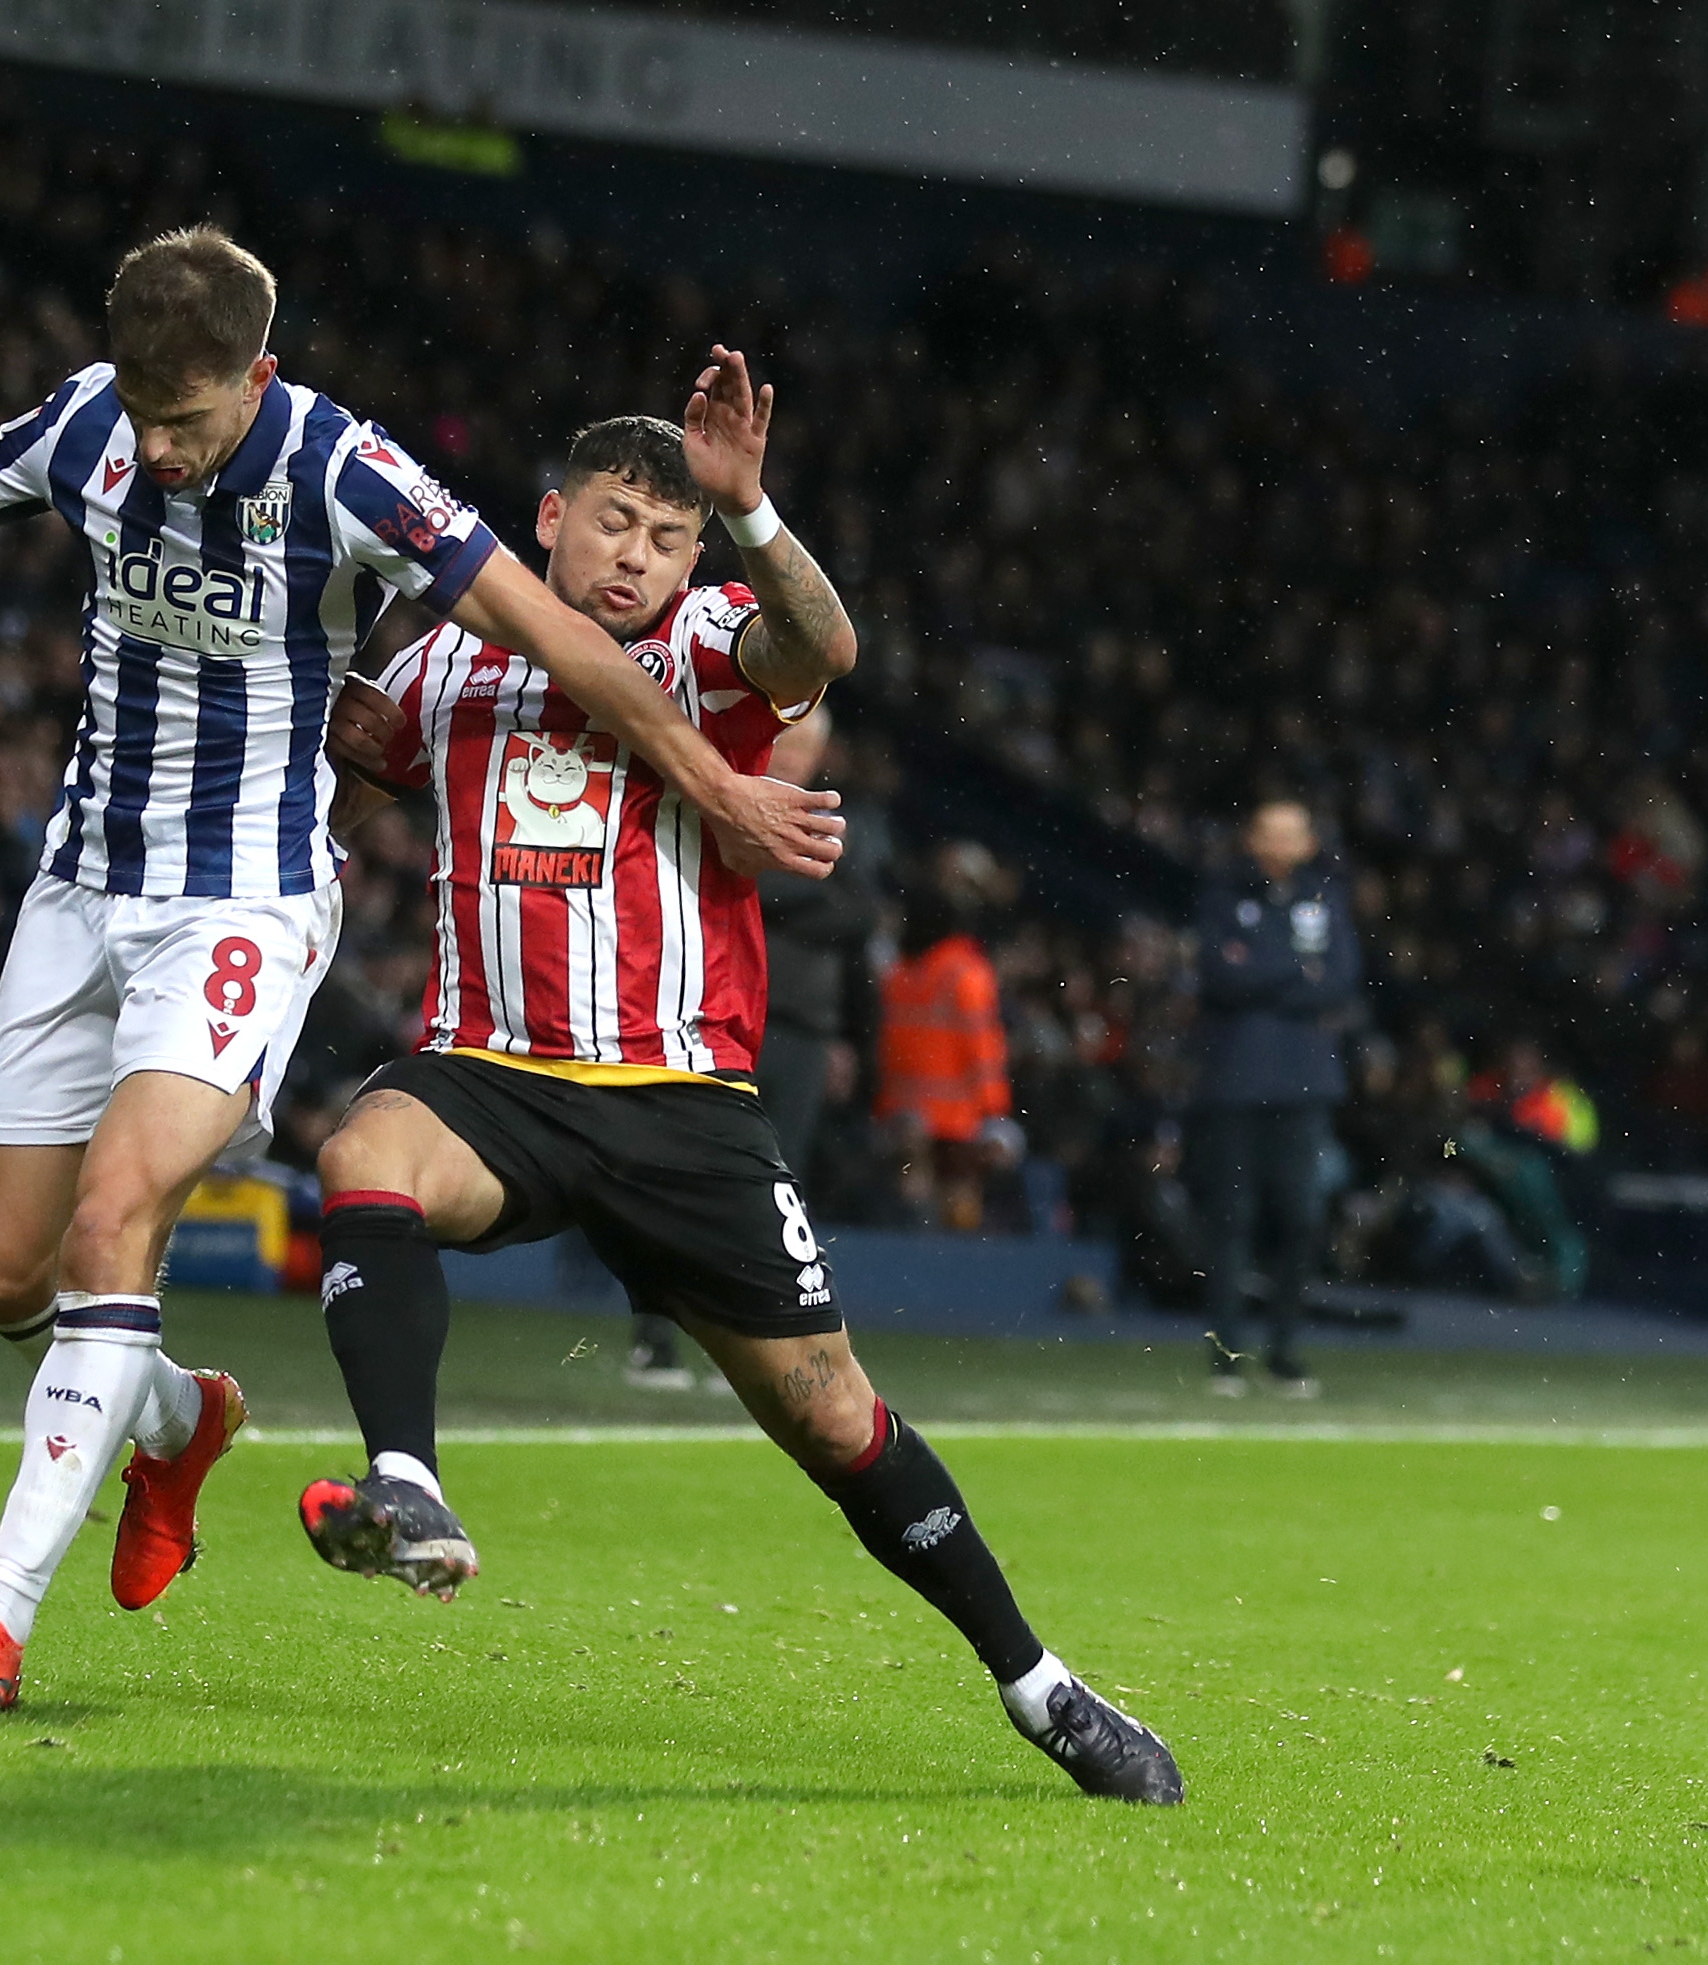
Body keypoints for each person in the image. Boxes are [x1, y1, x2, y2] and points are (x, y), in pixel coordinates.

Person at [0, 228, 843, 1713]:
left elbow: (562, 642)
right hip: (82, 890)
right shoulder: (91, 425)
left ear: (257, 375)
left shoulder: (349, 471)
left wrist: (711, 783)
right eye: (146, 417)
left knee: (114, 1219)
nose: (163, 450)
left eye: (189, 422)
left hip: (245, 898)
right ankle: (181, 1421)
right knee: (3, 1272)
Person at [311, 376, 1180, 1804]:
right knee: (365, 1155)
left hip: (678, 1104)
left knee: (836, 1417)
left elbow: (820, 640)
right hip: (491, 1077)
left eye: (669, 533)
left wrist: (755, 511)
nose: (640, 554)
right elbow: (349, 764)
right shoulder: (440, 665)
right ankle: (405, 1479)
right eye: (616, 523)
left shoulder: (711, 648)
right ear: (549, 521)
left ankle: (1043, 1690)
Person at [628, 699, 881, 1387]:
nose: (793, 756)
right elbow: (733, 888)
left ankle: (749, 1341)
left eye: (804, 747)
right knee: (691, 1176)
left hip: (800, 1031)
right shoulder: (729, 793)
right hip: (720, 1017)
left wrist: (774, 887)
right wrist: (797, 888)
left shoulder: (830, 816)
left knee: (776, 1193)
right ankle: (656, 1335)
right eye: (787, 742)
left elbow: (860, 913)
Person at [1192, 797, 1361, 1392]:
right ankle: (1227, 1354)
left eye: (1292, 835)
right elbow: (1219, 973)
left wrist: (1260, 972)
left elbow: (1339, 980)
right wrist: (1295, 973)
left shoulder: (1327, 898)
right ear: (1251, 838)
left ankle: (1285, 1349)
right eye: (1270, 833)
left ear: (1310, 842)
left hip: (1305, 1084)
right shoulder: (1222, 897)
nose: (1281, 846)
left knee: (1301, 1219)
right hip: (1236, 1083)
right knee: (1232, 1220)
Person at [875, 887, 1012, 1230]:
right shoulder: (968, 973)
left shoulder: (900, 973)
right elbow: (983, 1048)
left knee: (911, 1206)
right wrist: (995, 1110)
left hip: (904, 1113)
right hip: (959, 1118)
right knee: (959, 1213)